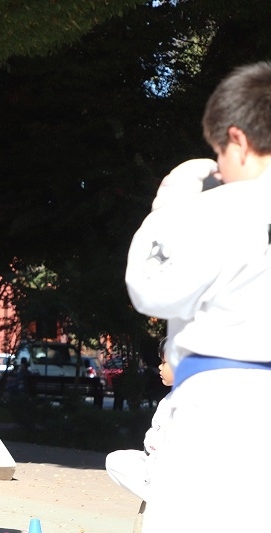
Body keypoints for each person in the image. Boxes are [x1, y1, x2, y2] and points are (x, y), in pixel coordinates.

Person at [125, 61, 271, 532]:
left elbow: (148, 288)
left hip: (222, 408)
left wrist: (171, 206)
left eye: (219, 154)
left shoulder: (226, 207)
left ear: (239, 141)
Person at [105, 338, 173, 504]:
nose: (160, 366)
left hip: (169, 468)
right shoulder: (169, 398)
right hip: (153, 462)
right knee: (116, 460)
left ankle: (168, 500)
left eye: (164, 362)